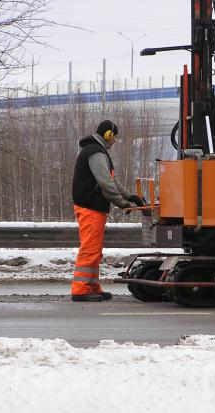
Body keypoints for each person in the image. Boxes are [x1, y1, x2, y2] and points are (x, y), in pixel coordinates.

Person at [71, 120, 146, 302]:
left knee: (95, 250)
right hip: (90, 208)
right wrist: (122, 203)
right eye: (115, 137)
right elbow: (105, 184)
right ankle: (80, 290)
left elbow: (112, 180)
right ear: (108, 135)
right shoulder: (95, 153)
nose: (115, 141)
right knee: (90, 249)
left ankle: (92, 287)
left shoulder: (97, 151)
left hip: (93, 207)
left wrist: (130, 197)